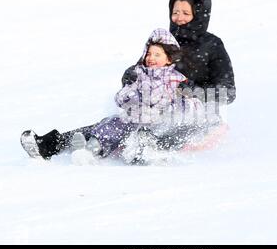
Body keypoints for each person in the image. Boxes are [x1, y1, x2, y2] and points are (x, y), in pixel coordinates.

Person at [21, 29, 204, 163]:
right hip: (131, 120)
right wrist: (131, 87)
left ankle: (143, 154)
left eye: (157, 54)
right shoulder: (137, 73)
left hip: (158, 128)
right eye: (149, 53)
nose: (151, 58)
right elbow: (122, 97)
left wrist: (181, 100)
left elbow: (194, 104)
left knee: (137, 134)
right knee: (104, 125)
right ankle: (49, 145)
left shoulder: (178, 79)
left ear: (169, 59)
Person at [121, 0, 236, 151]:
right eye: (175, 12)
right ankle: (84, 140)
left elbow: (229, 91)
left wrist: (192, 91)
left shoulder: (212, 45)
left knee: (183, 125)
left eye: (186, 13)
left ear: (199, 14)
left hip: (194, 113)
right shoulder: (165, 41)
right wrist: (132, 76)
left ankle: (153, 148)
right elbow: (144, 66)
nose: (179, 18)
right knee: (120, 122)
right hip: (157, 107)